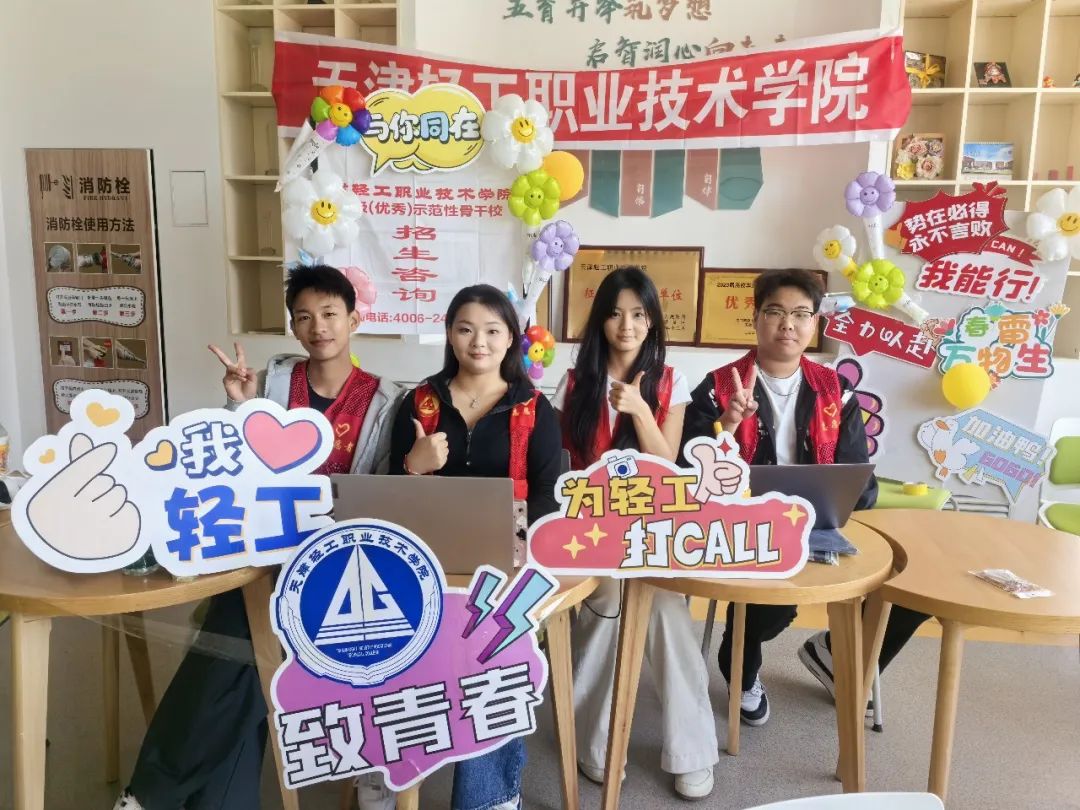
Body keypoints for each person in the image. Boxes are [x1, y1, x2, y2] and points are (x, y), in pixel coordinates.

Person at [113, 264, 402, 810]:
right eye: (304, 317)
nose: (318, 327)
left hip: (334, 564)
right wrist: (238, 406)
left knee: (235, 648)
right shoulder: (272, 383)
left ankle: (150, 791)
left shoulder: (385, 400)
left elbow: (382, 493)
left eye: (330, 314)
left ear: (354, 320)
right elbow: (233, 467)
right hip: (261, 552)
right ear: (293, 327)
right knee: (242, 655)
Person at [370, 283, 560, 810]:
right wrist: (414, 465)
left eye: (493, 330)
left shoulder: (534, 408)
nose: (479, 342)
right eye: (466, 329)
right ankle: (388, 766)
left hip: (508, 565)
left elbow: (548, 496)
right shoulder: (419, 402)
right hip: (424, 561)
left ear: (512, 339)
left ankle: (489, 797)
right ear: (450, 336)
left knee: (493, 643)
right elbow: (390, 495)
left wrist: (519, 543)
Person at [681, 268, 878, 728]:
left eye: (800, 314)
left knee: (890, 582)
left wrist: (845, 497)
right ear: (756, 319)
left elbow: (858, 478)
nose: (788, 324)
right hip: (738, 525)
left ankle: (828, 653)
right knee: (777, 596)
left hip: (815, 523)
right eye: (775, 312)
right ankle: (740, 661)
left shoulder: (837, 391)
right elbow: (688, 472)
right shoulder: (717, 386)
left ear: (814, 323)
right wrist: (726, 424)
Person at [553, 267, 719, 800]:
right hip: (589, 532)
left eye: (639, 314)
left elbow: (668, 469)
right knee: (609, 603)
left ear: (652, 321)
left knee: (665, 609)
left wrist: (642, 411)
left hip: (653, 531)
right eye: (615, 313)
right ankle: (597, 745)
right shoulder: (573, 384)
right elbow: (560, 472)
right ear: (600, 321)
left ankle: (691, 752)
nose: (626, 325)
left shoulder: (671, 382)